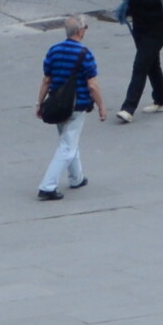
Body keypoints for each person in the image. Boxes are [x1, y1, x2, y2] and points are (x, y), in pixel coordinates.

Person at [34, 16, 106, 201]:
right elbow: (93, 85)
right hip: (77, 105)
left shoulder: (54, 51)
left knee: (68, 140)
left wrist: (40, 103)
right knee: (67, 145)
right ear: (80, 31)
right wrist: (101, 106)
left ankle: (76, 177)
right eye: (86, 27)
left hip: (58, 104)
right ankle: (47, 186)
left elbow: (46, 80)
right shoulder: (85, 54)